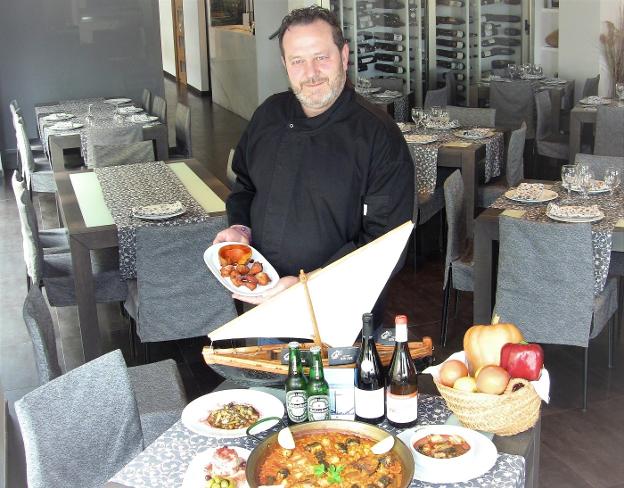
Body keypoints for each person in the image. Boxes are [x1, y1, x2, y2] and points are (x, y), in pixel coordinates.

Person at [214, 6, 414, 309]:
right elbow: (246, 185)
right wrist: (240, 229)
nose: (311, 73)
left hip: (340, 312)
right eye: (298, 61)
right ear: (285, 64)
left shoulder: (378, 136)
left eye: (322, 57)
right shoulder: (268, 114)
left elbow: (387, 243)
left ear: (344, 56)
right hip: (262, 299)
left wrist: (309, 284)